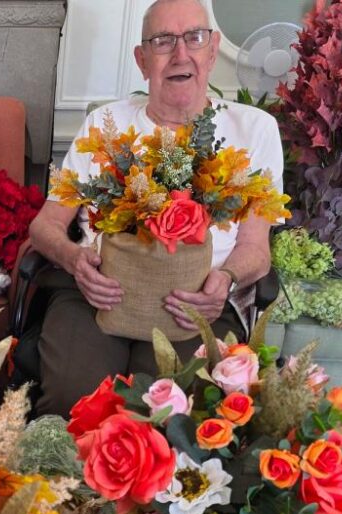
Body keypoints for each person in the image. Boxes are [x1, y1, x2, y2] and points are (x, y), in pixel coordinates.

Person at [28, 0, 284, 417]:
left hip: (195, 304)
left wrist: (225, 280)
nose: (180, 53)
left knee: (169, 409)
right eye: (163, 41)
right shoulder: (105, 125)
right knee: (73, 400)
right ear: (142, 60)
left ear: (212, 50)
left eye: (194, 38)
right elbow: (44, 226)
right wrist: (75, 260)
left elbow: (256, 248)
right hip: (98, 294)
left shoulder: (254, 130)